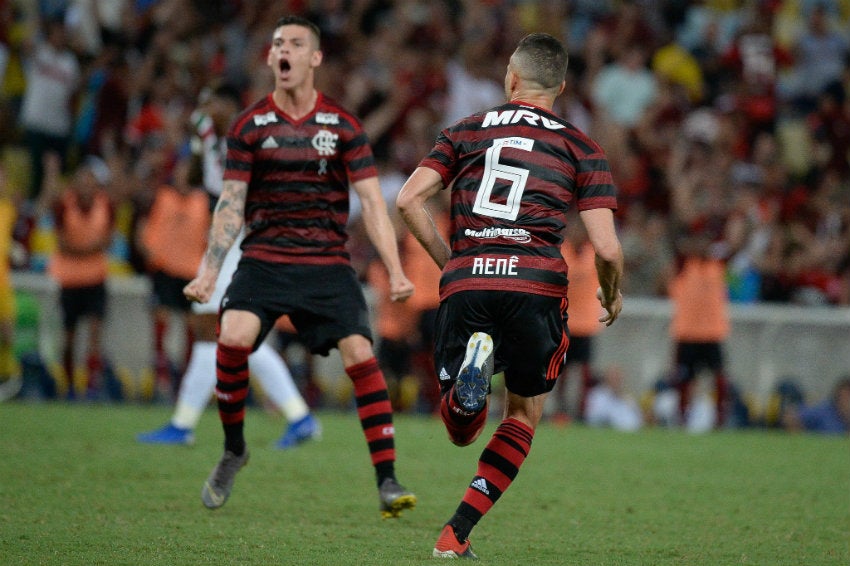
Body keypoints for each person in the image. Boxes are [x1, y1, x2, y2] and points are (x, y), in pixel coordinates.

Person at [397, 32, 624, 559]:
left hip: (469, 278)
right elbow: (608, 251)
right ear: (562, 86)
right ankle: (455, 534)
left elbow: (409, 201)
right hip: (536, 284)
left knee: (459, 429)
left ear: (510, 77)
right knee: (522, 413)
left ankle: (468, 391)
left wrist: (454, 263)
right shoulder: (582, 147)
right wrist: (611, 294)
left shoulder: (465, 130)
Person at [183, 16, 417, 517]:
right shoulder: (248, 126)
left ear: (314, 58)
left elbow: (373, 203)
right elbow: (230, 202)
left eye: (295, 43)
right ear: (270, 59)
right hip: (265, 260)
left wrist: (395, 269)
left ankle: (388, 480)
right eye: (276, 44)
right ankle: (233, 449)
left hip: (327, 263)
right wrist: (209, 269)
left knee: (359, 352)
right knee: (231, 337)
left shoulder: (343, 125)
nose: (284, 51)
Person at [137, 83, 320, 448]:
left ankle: (184, 424)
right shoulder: (213, 140)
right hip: (227, 242)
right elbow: (191, 183)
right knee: (231, 337)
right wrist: (195, 144)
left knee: (215, 330)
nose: (205, 110)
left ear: (230, 107)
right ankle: (297, 418)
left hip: (243, 244)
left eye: (211, 104)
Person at [43, 152, 114, 399]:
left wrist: (83, 249)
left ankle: (92, 384)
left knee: (95, 333)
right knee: (70, 336)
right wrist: (89, 249)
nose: (86, 187)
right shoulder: (65, 205)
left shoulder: (106, 204)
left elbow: (107, 240)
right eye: (82, 181)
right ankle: (70, 384)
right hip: (70, 279)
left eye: (91, 182)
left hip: (95, 278)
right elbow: (62, 243)